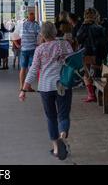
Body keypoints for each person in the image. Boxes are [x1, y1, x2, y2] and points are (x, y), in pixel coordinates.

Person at [19, 22, 73, 160]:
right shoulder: (65, 45)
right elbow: (73, 63)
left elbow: (33, 70)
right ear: (55, 32)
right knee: (63, 115)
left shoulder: (40, 49)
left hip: (46, 87)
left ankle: (56, 148)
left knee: (51, 117)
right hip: (63, 85)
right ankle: (62, 137)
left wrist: (24, 89)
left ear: (42, 34)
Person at [76, 8, 107, 102]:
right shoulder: (100, 28)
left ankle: (91, 95)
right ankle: (98, 94)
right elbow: (105, 42)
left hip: (86, 54)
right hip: (98, 54)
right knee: (97, 73)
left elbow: (79, 39)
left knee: (86, 74)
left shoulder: (83, 27)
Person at [18, 9, 41, 91]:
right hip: (32, 49)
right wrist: (39, 43)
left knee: (23, 68)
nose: (34, 16)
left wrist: (19, 44)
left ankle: (22, 86)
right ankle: (28, 86)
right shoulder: (36, 26)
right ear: (29, 16)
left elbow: (17, 35)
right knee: (31, 69)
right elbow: (41, 35)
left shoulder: (22, 24)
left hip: (24, 49)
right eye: (33, 15)